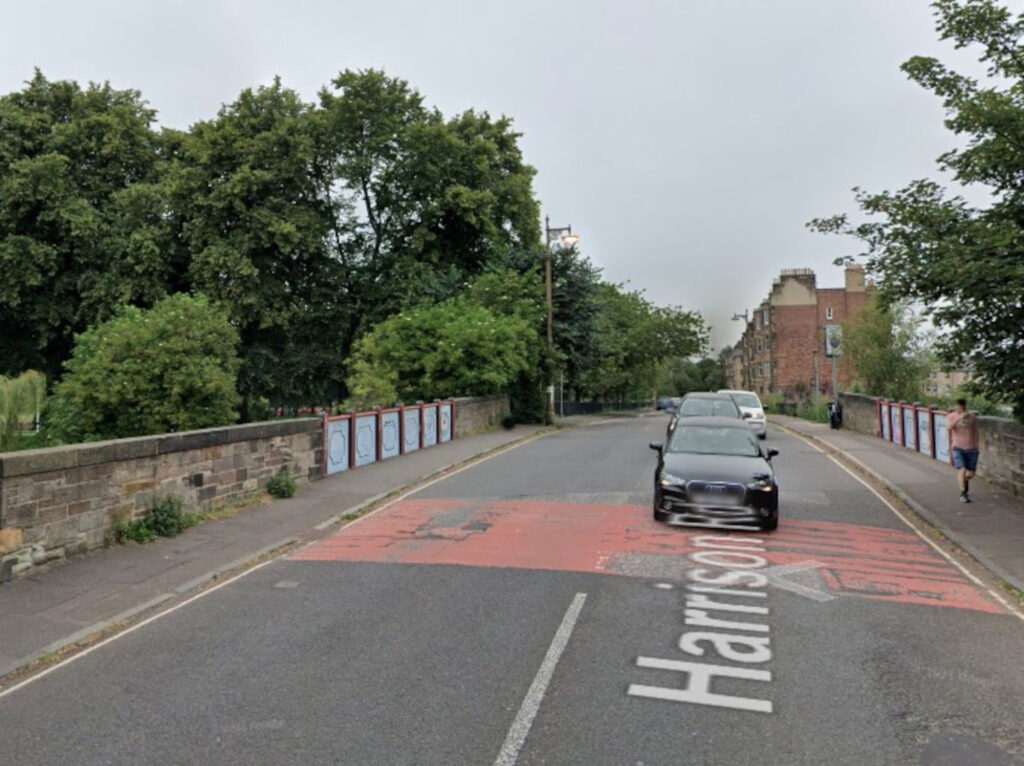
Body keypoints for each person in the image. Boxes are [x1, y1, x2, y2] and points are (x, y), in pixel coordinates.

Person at [946, 398, 980, 503]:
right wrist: (959, 418)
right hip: (957, 447)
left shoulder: (972, 417)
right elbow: (949, 428)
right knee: (962, 469)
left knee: (970, 474)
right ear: (956, 407)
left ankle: (964, 487)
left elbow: (975, 431)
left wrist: (977, 445)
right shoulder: (951, 416)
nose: (962, 408)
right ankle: (963, 493)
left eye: (963, 406)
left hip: (972, 449)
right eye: (959, 406)